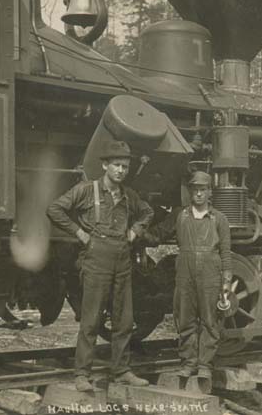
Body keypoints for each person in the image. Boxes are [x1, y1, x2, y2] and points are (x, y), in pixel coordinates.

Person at [47, 140, 154, 392]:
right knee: (91, 320)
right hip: (96, 260)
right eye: (116, 165)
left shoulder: (129, 196)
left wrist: (134, 232)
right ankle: (82, 374)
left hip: (122, 259)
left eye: (125, 166)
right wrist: (79, 233)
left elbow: (147, 212)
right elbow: (55, 209)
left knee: (124, 320)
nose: (121, 170)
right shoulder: (86, 190)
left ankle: (121, 371)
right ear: (105, 165)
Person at [144, 171, 232, 379]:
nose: (199, 194)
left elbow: (226, 252)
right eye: (195, 190)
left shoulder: (220, 219)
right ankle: (188, 363)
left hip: (211, 272)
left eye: (203, 190)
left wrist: (226, 280)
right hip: (184, 271)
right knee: (185, 319)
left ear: (210, 192)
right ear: (190, 192)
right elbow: (157, 234)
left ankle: (205, 366)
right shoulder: (179, 215)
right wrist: (137, 231)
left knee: (210, 321)